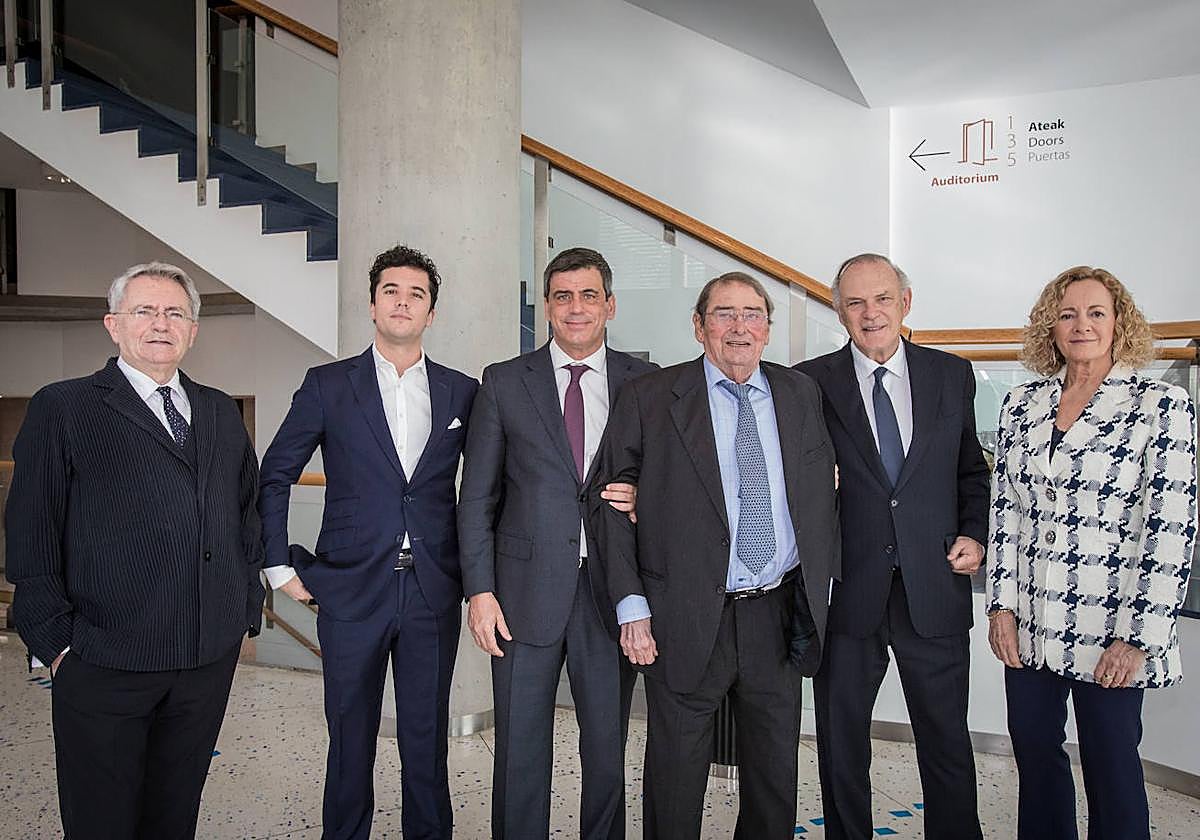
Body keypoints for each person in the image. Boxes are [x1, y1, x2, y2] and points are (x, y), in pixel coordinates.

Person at [5, 262, 264, 839]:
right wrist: (57, 644)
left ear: (193, 330)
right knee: (102, 821)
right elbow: (31, 530)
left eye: (175, 313)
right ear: (114, 324)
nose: (160, 323)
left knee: (174, 815)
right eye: (143, 311)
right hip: (103, 657)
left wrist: (244, 607)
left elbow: (246, 514)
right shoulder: (64, 407)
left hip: (206, 657)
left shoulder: (220, 410)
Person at [591, 271, 839, 839]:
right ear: (699, 327)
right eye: (724, 314)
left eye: (752, 314)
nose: (739, 327)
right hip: (683, 613)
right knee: (675, 779)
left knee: (774, 779)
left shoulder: (800, 394)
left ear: (768, 329)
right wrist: (632, 607)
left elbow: (817, 488)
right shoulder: (651, 397)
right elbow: (610, 505)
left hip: (777, 612)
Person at [257, 245, 478, 840]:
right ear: (373, 304)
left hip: (432, 589)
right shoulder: (329, 385)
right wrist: (278, 566)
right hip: (351, 588)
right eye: (391, 292)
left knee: (426, 738)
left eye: (416, 294)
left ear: (431, 312)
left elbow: (489, 485)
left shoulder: (461, 392)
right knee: (350, 736)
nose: (403, 302)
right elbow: (275, 474)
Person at [987, 266, 1197, 840]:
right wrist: (1001, 607)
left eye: (1096, 313)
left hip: (1112, 626)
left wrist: (1139, 637)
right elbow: (1005, 512)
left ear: (1118, 322)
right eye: (1068, 314)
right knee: (1035, 754)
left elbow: (1170, 528)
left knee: (1111, 764)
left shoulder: (1160, 404)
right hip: (1030, 620)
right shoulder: (1021, 404)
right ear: (1050, 327)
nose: (1082, 325)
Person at [457, 247, 652, 840]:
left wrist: (646, 496)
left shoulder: (647, 382)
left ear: (610, 305)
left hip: (611, 594)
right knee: (519, 751)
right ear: (546, 306)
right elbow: (477, 497)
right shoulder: (503, 381)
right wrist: (479, 592)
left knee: (607, 753)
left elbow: (674, 480)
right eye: (563, 296)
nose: (576, 308)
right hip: (521, 595)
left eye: (589, 295)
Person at [795, 253, 989, 840]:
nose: (870, 313)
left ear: (905, 303)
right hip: (848, 589)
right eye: (855, 302)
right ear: (839, 312)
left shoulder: (951, 374)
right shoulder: (808, 382)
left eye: (882, 299)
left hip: (933, 584)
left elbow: (971, 471)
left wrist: (975, 533)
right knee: (841, 741)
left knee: (946, 741)